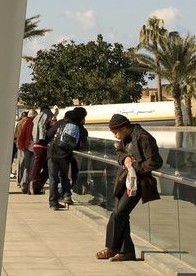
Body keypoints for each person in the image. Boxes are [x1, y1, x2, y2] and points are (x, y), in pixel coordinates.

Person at [96, 115, 163, 262]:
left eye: (116, 132)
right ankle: (126, 252)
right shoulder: (125, 137)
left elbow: (155, 162)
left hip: (139, 183)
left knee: (119, 213)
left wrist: (135, 166)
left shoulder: (143, 138)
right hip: (126, 181)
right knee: (122, 214)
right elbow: (119, 152)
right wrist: (125, 158)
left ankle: (112, 248)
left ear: (124, 128)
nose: (115, 136)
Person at [45, 108, 83, 210]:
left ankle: (53, 203)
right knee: (64, 176)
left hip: (53, 154)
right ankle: (66, 196)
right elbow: (80, 141)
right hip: (65, 155)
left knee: (53, 179)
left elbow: (48, 134)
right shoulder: (78, 126)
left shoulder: (60, 123)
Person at [27, 105, 53, 195]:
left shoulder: (35, 121)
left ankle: (34, 186)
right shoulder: (46, 124)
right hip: (43, 147)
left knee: (37, 167)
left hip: (36, 146)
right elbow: (49, 135)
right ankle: (33, 185)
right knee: (41, 168)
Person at [16, 109, 36, 189]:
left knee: (21, 164)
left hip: (21, 144)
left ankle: (20, 181)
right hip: (27, 145)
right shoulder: (30, 122)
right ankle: (24, 182)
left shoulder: (20, 122)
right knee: (27, 165)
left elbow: (17, 133)